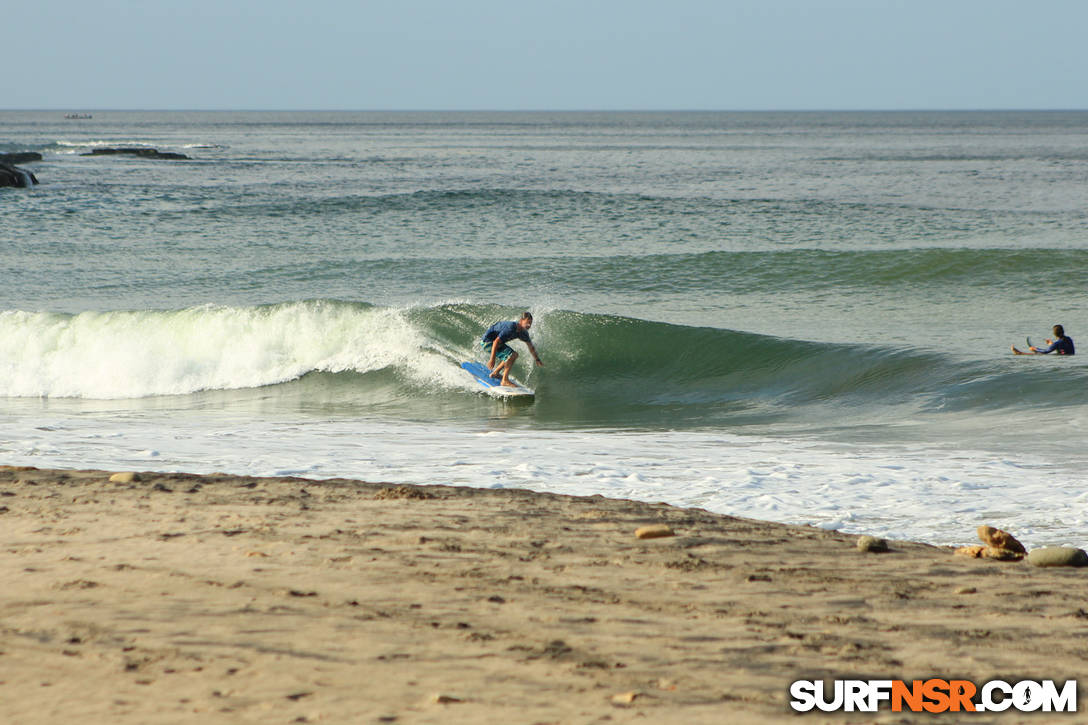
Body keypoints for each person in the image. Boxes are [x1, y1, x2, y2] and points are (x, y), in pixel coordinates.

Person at [481, 312, 543, 386]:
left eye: (530, 323)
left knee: (512, 355)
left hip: (497, 344)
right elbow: (495, 342)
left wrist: (537, 359)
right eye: (527, 322)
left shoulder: (523, 333)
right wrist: (492, 359)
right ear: (521, 321)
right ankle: (504, 380)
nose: (529, 325)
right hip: (487, 342)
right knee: (513, 355)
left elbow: (531, 347)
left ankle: (495, 373)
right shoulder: (510, 327)